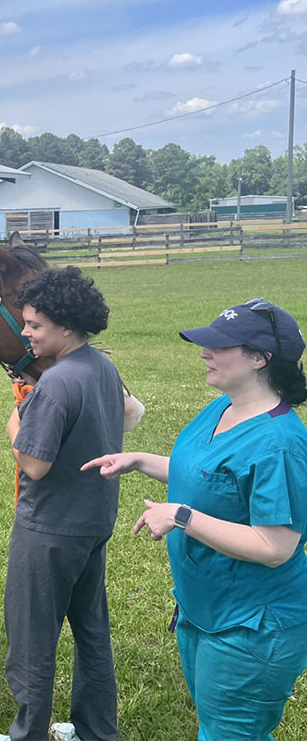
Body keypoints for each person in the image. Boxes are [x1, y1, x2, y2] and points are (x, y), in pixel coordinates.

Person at [83, 298, 307, 741]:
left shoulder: (279, 444)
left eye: (219, 347)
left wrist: (183, 516)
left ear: (261, 358)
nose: (205, 353)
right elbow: (209, 475)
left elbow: (275, 547)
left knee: (229, 734)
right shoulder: (224, 407)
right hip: (204, 608)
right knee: (215, 724)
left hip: (253, 626)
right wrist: (140, 460)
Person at [0, 266, 124, 741]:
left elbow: (34, 464)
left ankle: (29, 735)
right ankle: (94, 731)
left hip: (48, 530)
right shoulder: (101, 365)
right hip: (92, 520)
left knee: (32, 645)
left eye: (34, 325)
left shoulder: (57, 382)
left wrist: (15, 421)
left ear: (66, 326)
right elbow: (127, 416)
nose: (24, 332)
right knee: (91, 634)